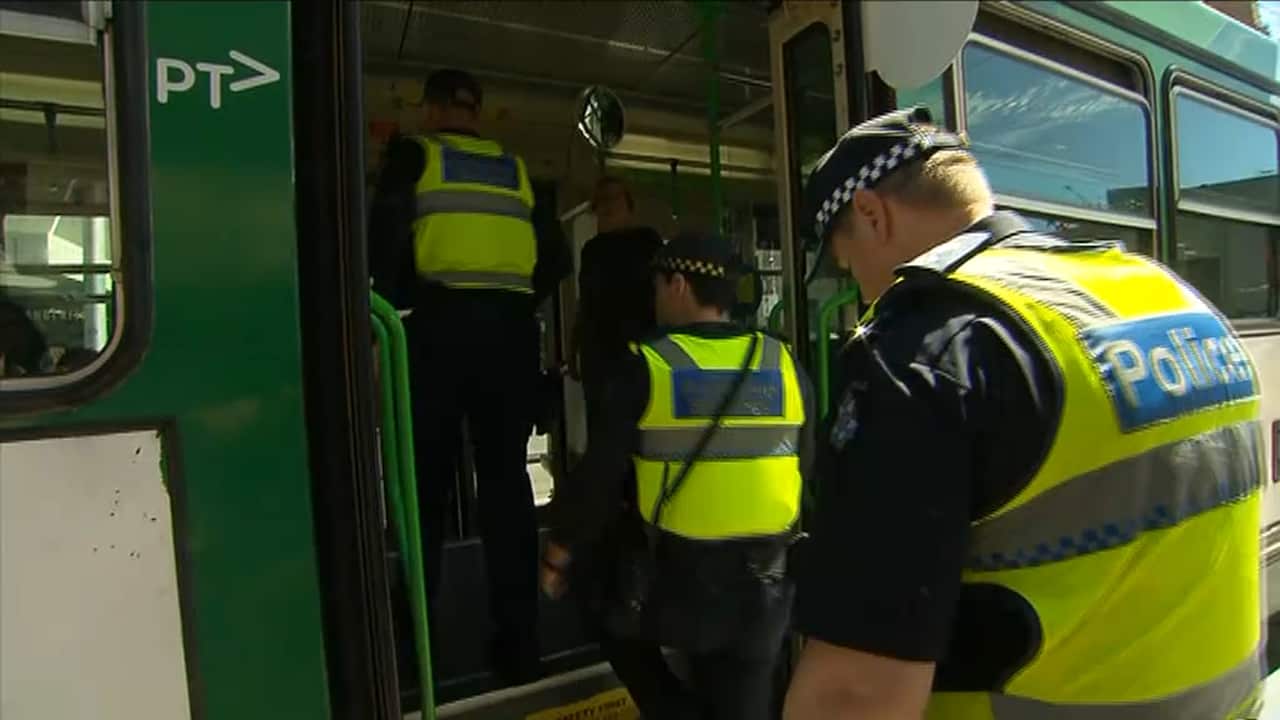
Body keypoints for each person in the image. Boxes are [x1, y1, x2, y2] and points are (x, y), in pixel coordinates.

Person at [783, 106, 1265, 719]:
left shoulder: (927, 351)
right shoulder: (1165, 293)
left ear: (871, 214)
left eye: (845, 262)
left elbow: (855, 694)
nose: (859, 289)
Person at [542, 232, 815, 720]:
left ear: (679, 284)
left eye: (658, 285)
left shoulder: (648, 364)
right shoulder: (785, 362)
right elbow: (806, 466)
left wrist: (561, 553)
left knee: (598, 598)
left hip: (680, 586)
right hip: (767, 586)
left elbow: (599, 479)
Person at [366, 67, 571, 686]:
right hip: (508, 333)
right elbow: (556, 258)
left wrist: (399, 303)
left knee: (423, 482)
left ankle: (414, 648)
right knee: (506, 485)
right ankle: (519, 645)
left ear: (430, 110)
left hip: (436, 327)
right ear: (476, 112)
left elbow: (382, 239)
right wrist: (510, 299)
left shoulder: (413, 154)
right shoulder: (515, 170)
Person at [570, 176, 664, 426]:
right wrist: (574, 347)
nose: (608, 205)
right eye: (602, 201)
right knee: (602, 428)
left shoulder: (647, 241)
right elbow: (586, 302)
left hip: (639, 350)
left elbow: (661, 295)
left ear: (629, 206)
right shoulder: (591, 251)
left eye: (615, 198)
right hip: (599, 357)